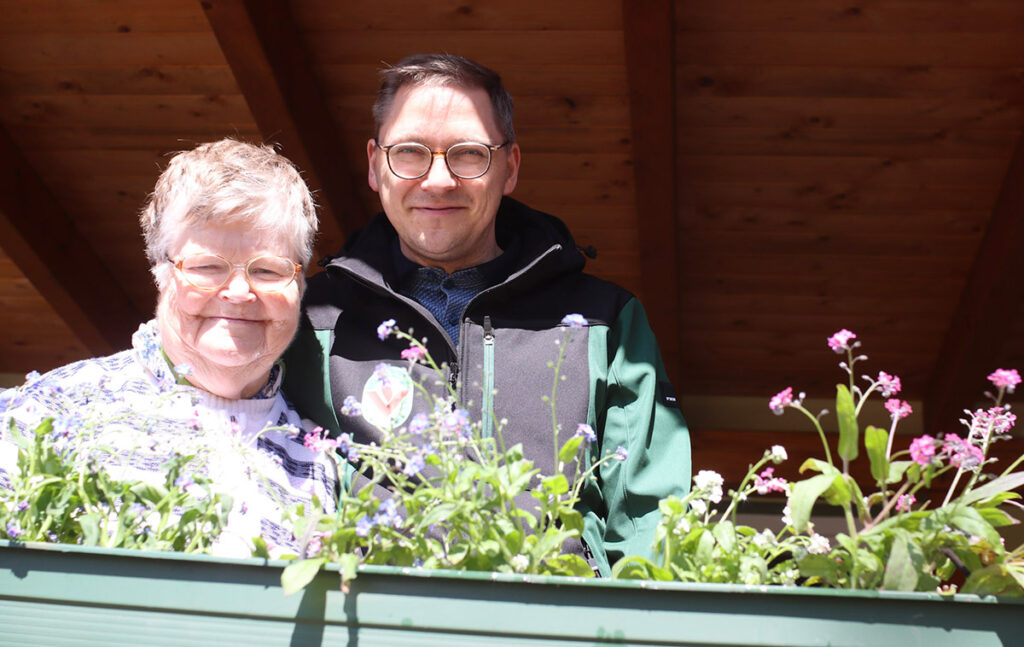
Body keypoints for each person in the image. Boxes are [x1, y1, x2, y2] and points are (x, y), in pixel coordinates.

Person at [284, 54, 689, 575]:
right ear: (373, 164)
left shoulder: (606, 322)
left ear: (510, 167)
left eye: (468, 154)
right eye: (408, 153)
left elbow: (648, 526)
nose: (437, 180)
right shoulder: (310, 319)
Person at [0, 139, 337, 557]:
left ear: (300, 284)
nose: (238, 291)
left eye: (268, 269)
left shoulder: (315, 462)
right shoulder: (50, 414)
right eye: (207, 267)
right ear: (161, 272)